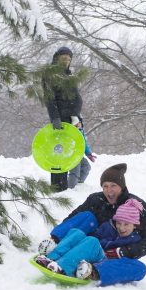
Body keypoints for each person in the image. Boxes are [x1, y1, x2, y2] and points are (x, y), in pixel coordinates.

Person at [37, 163, 146, 286]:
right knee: (86, 218)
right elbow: (73, 218)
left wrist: (124, 251)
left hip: (112, 257)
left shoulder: (135, 207)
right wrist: (67, 237)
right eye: (105, 186)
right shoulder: (96, 200)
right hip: (90, 245)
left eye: (113, 186)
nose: (109, 190)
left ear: (122, 187)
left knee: (140, 268)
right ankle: (54, 244)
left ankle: (92, 271)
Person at [34, 198, 144, 278]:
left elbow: (128, 257)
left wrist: (120, 252)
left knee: (92, 241)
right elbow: (92, 236)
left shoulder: (134, 240)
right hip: (92, 251)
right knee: (77, 232)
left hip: (103, 259)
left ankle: (62, 267)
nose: (121, 227)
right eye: (119, 223)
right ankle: (51, 257)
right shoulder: (108, 227)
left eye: (126, 224)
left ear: (134, 225)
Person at [42, 46, 83, 191]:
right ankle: (56, 186)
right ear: (57, 58)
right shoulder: (50, 74)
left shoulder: (69, 75)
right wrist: (55, 118)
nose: (67, 61)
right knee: (58, 151)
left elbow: (74, 97)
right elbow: (50, 99)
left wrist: (76, 117)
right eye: (64, 58)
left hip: (72, 119)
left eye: (69, 59)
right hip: (60, 119)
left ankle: (63, 185)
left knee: (67, 151)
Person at [67, 116, 97, 188]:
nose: (78, 126)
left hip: (78, 155)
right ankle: (71, 187)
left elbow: (84, 143)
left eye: (79, 124)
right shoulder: (69, 132)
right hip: (71, 155)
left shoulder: (80, 131)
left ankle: (79, 185)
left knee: (86, 167)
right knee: (75, 171)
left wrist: (89, 154)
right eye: (76, 125)